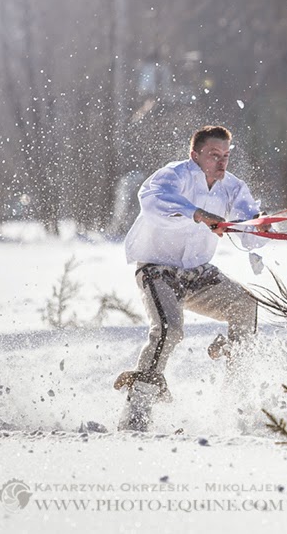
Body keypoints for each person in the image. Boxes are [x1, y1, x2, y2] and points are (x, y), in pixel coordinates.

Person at [115, 125, 270, 432]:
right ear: (195, 155)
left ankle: (235, 399)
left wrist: (258, 226)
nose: (221, 162)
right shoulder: (173, 175)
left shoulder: (232, 187)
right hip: (157, 269)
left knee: (246, 305)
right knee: (169, 329)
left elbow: (249, 231)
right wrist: (198, 214)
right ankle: (137, 411)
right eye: (214, 155)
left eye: (225, 155)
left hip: (198, 273)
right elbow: (153, 203)